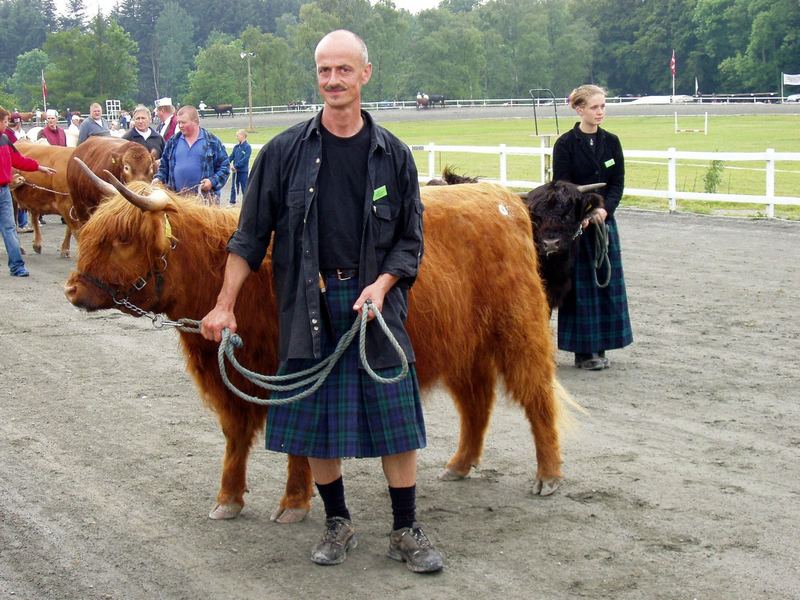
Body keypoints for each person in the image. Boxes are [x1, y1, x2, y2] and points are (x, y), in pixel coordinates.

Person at [199, 29, 442, 574]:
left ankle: (405, 528)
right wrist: (224, 304)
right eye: (324, 71)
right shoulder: (283, 153)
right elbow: (248, 238)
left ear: (365, 74)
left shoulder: (394, 156)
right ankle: (338, 521)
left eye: (343, 70)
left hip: (376, 310)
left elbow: (410, 242)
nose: (333, 80)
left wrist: (382, 285)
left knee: (395, 425)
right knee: (317, 425)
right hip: (307, 307)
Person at [552, 84, 633, 370]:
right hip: (578, 225)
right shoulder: (565, 144)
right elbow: (562, 185)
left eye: (602, 107)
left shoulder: (612, 142)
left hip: (603, 223)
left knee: (605, 284)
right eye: (594, 107)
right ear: (579, 109)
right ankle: (583, 352)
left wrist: (603, 209)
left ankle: (602, 345)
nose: (600, 112)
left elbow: (617, 182)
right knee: (580, 287)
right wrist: (584, 212)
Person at [0, 106, 57, 277]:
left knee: (9, 228)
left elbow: (18, 160)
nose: (6, 125)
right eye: (4, 121)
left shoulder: (4, 139)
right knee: (9, 228)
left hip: (3, 191)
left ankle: (17, 266)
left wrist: (39, 167)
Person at [152, 105, 229, 203]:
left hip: (205, 202)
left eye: (183, 122)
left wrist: (212, 181)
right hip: (177, 201)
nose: (180, 126)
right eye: (178, 122)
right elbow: (164, 167)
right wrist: (158, 178)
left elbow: (225, 167)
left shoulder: (212, 141)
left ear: (195, 122)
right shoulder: (172, 142)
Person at [227, 129, 251, 205]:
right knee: (233, 186)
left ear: (242, 136)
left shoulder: (247, 147)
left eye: (237, 135)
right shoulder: (236, 147)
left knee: (245, 187)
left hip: (243, 171)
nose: (236, 137)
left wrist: (236, 166)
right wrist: (226, 162)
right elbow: (232, 156)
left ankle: (247, 203)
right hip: (235, 171)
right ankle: (232, 202)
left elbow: (245, 159)